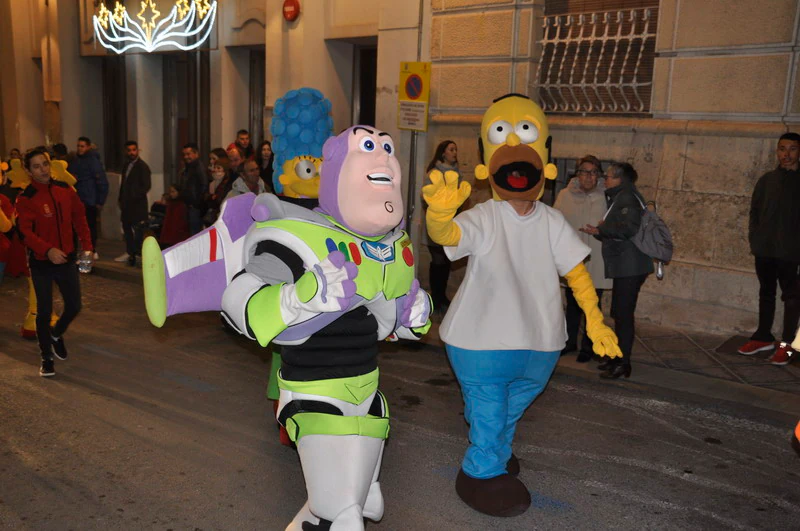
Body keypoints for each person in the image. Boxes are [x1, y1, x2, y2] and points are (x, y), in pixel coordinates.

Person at [424, 94, 621, 517]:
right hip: (482, 340)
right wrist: (438, 215)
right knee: (492, 406)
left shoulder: (551, 220)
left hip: (540, 341)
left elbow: (577, 273)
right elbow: (448, 237)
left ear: (546, 163)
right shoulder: (484, 215)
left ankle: (491, 441)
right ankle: (480, 470)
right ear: (487, 164)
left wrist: (596, 321)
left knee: (510, 405)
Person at [15, 148, 93, 377]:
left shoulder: (65, 190)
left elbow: (80, 218)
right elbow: (24, 232)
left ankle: (56, 334)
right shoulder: (25, 198)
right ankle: (46, 357)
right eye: (36, 166)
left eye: (45, 164)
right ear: (29, 171)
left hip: (66, 259)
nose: (43, 170)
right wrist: (47, 250)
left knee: (74, 306)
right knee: (44, 311)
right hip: (41, 262)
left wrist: (87, 246)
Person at [581, 162, 653, 379]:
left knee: (623, 315)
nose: (605, 179)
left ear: (621, 179)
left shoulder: (627, 198)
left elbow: (629, 229)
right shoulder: (622, 196)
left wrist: (602, 229)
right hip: (627, 265)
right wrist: (601, 230)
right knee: (619, 313)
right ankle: (616, 358)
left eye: (609, 176)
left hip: (630, 266)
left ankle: (623, 363)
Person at [737, 132, 800, 366]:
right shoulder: (766, 180)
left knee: (792, 298)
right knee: (766, 293)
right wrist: (755, 238)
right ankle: (763, 336)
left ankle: (787, 344)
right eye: (782, 149)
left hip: (792, 253)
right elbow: (754, 212)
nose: (786, 154)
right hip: (765, 249)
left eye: (792, 149)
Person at [554, 155, 613, 362]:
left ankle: (589, 346)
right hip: (573, 257)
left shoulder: (607, 196)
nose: (589, 176)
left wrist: (601, 230)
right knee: (572, 303)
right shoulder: (564, 195)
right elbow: (555, 222)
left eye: (594, 172)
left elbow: (615, 225)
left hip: (596, 256)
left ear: (599, 175)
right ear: (577, 174)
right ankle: (569, 342)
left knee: (593, 304)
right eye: (585, 171)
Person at [423, 140, 460, 313]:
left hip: (451, 225)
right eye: (451, 149)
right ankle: (435, 297)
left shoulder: (457, 174)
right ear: (443, 153)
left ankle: (441, 296)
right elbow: (426, 198)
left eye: (456, 150)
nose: (455, 152)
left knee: (445, 262)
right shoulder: (434, 173)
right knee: (437, 261)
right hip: (436, 225)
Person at [67, 136, 108, 257]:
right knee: (76, 226)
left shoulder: (93, 161)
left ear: (88, 147)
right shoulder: (75, 161)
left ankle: (92, 249)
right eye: (78, 146)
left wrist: (100, 201)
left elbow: (102, 182)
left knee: (90, 226)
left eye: (82, 146)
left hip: (89, 200)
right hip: (78, 198)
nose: (80, 148)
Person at [114, 141, 151, 266]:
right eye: (129, 150)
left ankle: (137, 253)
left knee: (138, 231)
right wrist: (121, 198)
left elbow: (146, 186)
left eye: (134, 150)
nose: (131, 152)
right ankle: (130, 252)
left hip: (137, 205)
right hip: (126, 205)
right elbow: (124, 184)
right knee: (127, 228)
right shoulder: (126, 165)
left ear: (138, 151)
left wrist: (133, 197)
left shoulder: (143, 167)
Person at [178, 143, 207, 236]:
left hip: (196, 207)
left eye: (188, 154)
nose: (186, 157)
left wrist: (197, 203)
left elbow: (204, 185)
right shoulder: (188, 168)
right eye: (184, 154)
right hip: (191, 206)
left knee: (195, 234)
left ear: (196, 153)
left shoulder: (198, 167)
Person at [204, 156, 232, 226]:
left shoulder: (226, 183)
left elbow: (219, 200)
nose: (215, 170)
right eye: (215, 167)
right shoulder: (212, 183)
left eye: (219, 168)